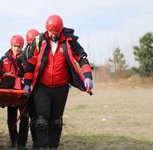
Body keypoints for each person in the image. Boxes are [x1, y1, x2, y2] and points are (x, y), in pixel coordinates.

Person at [24, 14, 93, 150]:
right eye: (51, 33)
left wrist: (87, 76)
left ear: (61, 29)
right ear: (47, 30)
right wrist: (27, 83)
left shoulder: (70, 40)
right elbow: (30, 63)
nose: (54, 36)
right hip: (42, 87)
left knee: (56, 121)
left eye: (56, 33)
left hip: (61, 87)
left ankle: (53, 146)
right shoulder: (39, 41)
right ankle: (41, 147)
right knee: (42, 121)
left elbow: (82, 57)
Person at [0, 34, 29, 150]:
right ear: (11, 46)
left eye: (19, 46)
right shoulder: (4, 59)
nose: (17, 48)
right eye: (14, 46)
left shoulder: (26, 59)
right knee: (11, 118)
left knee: (25, 117)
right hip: (10, 93)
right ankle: (13, 140)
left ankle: (22, 144)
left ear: (22, 47)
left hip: (22, 93)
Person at [23, 28, 39, 149]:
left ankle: (39, 142)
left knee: (39, 118)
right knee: (34, 118)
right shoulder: (26, 54)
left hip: (38, 87)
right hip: (31, 87)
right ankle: (36, 142)